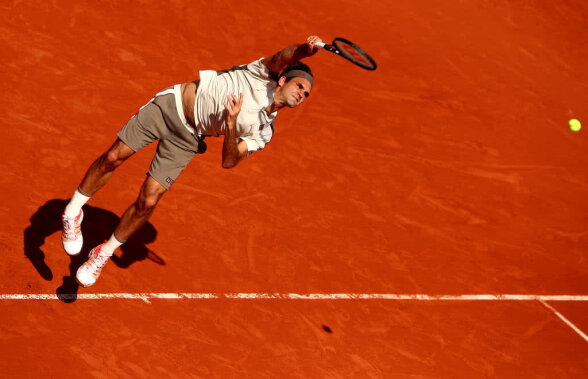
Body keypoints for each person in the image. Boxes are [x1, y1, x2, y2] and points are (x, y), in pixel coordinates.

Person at [61, 35, 323, 287]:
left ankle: (103, 253)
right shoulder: (260, 74)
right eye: (299, 86)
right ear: (282, 81)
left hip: (188, 139)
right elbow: (282, 56)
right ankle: (73, 213)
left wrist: (231, 125)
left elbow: (230, 161)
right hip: (170, 107)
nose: (302, 94)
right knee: (114, 156)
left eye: (307, 94)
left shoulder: (265, 131)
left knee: (149, 200)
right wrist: (303, 50)